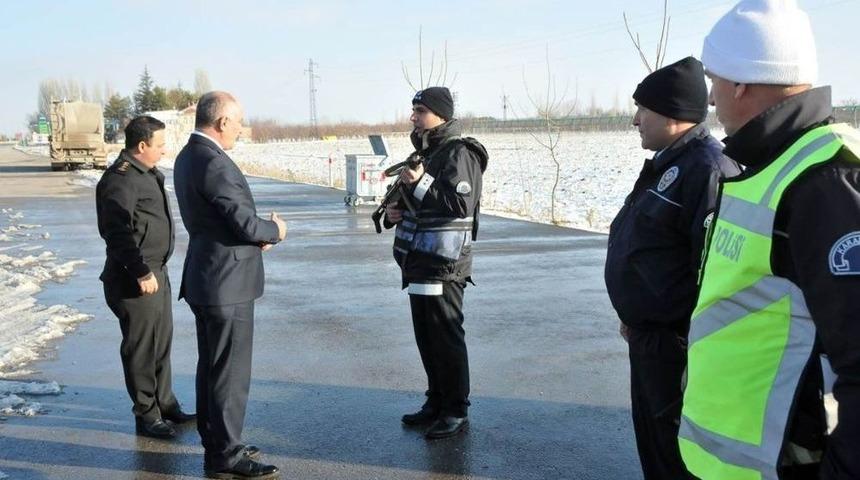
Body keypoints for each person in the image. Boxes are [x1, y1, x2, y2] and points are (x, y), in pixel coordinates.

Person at [678, 1, 860, 479]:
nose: (712, 100)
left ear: (741, 82)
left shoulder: (825, 182)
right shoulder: (771, 165)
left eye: (715, 81)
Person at [604, 56, 740, 479]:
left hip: (677, 346)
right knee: (655, 444)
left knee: (677, 453)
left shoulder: (707, 170)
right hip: (649, 338)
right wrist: (636, 317)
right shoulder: (671, 164)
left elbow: (712, 271)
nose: (635, 120)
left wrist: (678, 334)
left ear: (672, 113)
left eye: (643, 109)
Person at [173, 91, 286, 479]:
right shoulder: (213, 161)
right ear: (222, 122)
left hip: (209, 277)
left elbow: (220, 219)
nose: (241, 129)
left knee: (213, 368)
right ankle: (226, 454)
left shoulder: (189, 155)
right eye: (238, 122)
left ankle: (219, 439)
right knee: (230, 373)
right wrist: (275, 231)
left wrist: (254, 236)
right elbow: (246, 223)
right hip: (227, 284)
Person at [384, 86, 488, 439]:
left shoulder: (460, 153)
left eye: (420, 110)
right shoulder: (428, 152)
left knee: (445, 336)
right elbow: (418, 201)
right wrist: (396, 211)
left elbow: (460, 205)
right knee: (426, 336)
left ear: (441, 115)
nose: (413, 117)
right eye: (413, 110)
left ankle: (455, 409)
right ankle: (436, 401)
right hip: (420, 261)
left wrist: (420, 181)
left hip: (445, 264)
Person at [96, 115, 196, 439]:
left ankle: (166, 405)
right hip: (134, 279)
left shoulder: (146, 174)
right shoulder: (120, 180)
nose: (165, 151)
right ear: (142, 146)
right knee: (141, 350)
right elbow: (117, 231)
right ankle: (147, 415)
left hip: (156, 273)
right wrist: (140, 271)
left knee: (160, 344)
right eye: (161, 145)